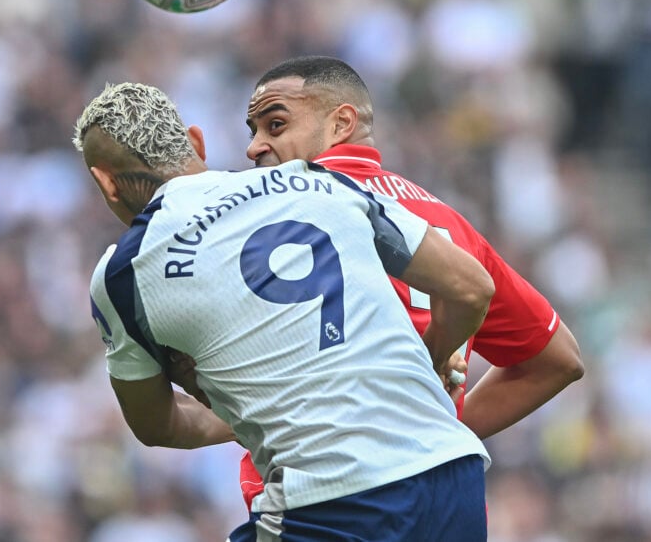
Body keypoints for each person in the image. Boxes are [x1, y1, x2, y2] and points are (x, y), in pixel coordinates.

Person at [73, 81, 495, 541]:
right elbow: (471, 288)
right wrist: (425, 359)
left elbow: (159, 426)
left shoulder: (123, 273)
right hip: (452, 473)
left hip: (329, 501)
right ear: (196, 141)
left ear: (106, 181)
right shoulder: (318, 181)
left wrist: (242, 398)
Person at [232, 55, 585, 509]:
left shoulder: (276, 214)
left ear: (342, 123)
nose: (254, 147)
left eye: (275, 125)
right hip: (434, 497)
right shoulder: (447, 221)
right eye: (253, 131)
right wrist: (431, 428)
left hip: (323, 499)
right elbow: (558, 360)